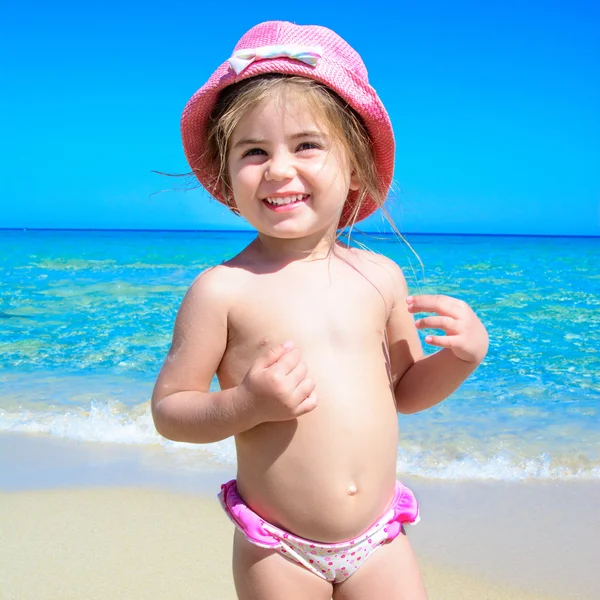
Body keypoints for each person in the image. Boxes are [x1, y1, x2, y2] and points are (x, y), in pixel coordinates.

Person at [151, 21, 488, 600]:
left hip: (380, 539)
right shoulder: (222, 289)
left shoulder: (380, 277)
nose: (279, 169)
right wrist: (246, 403)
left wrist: (461, 359)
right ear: (228, 178)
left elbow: (404, 390)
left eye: (306, 145)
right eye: (254, 152)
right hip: (279, 549)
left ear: (354, 163)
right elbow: (171, 410)